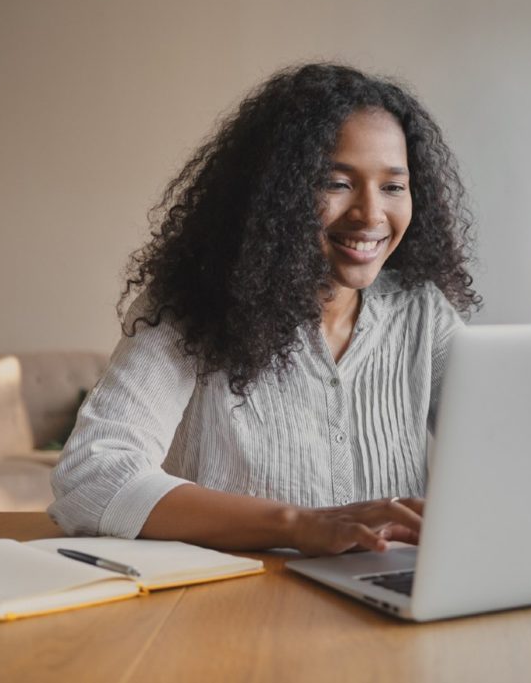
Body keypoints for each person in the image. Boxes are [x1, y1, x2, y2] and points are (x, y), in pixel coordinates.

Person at [49, 63, 480, 556]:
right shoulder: (191, 308)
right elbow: (92, 477)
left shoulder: (423, 314)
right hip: (230, 605)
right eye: (336, 183)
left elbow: (509, 456)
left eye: (393, 186)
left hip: (387, 600)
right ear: (276, 194)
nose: (370, 214)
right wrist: (298, 525)